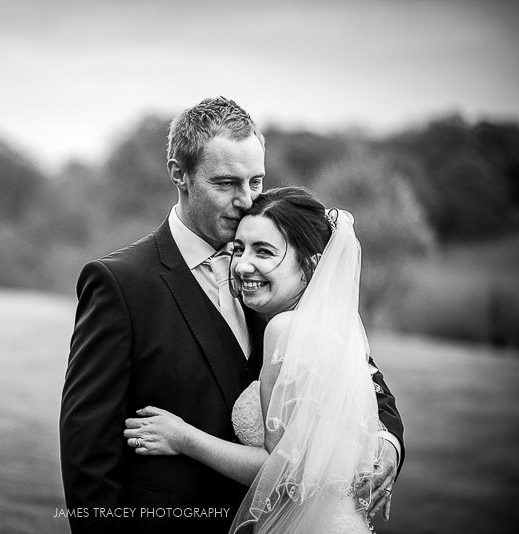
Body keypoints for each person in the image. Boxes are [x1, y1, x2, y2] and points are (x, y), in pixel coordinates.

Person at [59, 97, 403, 534]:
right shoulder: (121, 283)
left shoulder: (284, 272)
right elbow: (86, 447)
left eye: (255, 182)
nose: (245, 201)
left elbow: (362, 380)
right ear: (178, 174)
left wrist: (388, 445)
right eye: (225, 183)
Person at [124, 187, 402, 533]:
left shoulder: (284, 329)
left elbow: (284, 470)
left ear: (312, 264)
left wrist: (182, 437)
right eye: (238, 249)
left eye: (265, 252)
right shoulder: (330, 328)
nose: (242, 265)